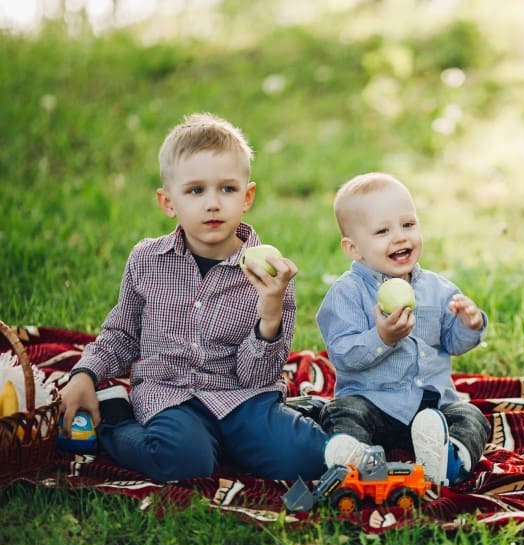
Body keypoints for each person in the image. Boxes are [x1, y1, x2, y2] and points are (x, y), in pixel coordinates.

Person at [59, 113, 328, 482]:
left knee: (310, 458)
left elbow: (258, 374)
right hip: (170, 394)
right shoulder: (147, 261)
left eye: (227, 189)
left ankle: (240, 439)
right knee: (185, 462)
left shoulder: (270, 274)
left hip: (240, 396)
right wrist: (86, 374)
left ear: (247, 196)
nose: (213, 203)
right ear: (168, 202)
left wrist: (270, 313)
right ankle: (116, 420)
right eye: (196, 190)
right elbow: (121, 334)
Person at [316, 172, 490, 486]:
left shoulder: (438, 289)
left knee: (470, 417)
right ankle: (358, 460)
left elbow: (453, 342)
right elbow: (343, 355)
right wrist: (383, 338)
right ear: (354, 248)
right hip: (373, 403)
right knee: (341, 412)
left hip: (432, 408)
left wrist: (470, 323)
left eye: (408, 225)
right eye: (383, 231)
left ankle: (448, 460)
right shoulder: (347, 294)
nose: (400, 237)